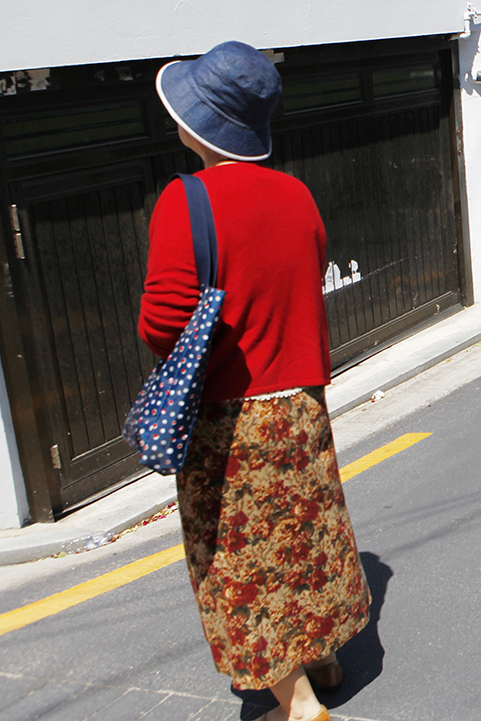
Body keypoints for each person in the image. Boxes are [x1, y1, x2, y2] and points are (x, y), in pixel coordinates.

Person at [139, 41, 369, 721]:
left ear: (199, 127)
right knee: (308, 537)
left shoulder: (185, 202)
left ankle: (297, 705)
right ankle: (323, 659)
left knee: (237, 563)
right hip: (300, 402)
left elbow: (161, 323)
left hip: (228, 420)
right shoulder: (297, 195)